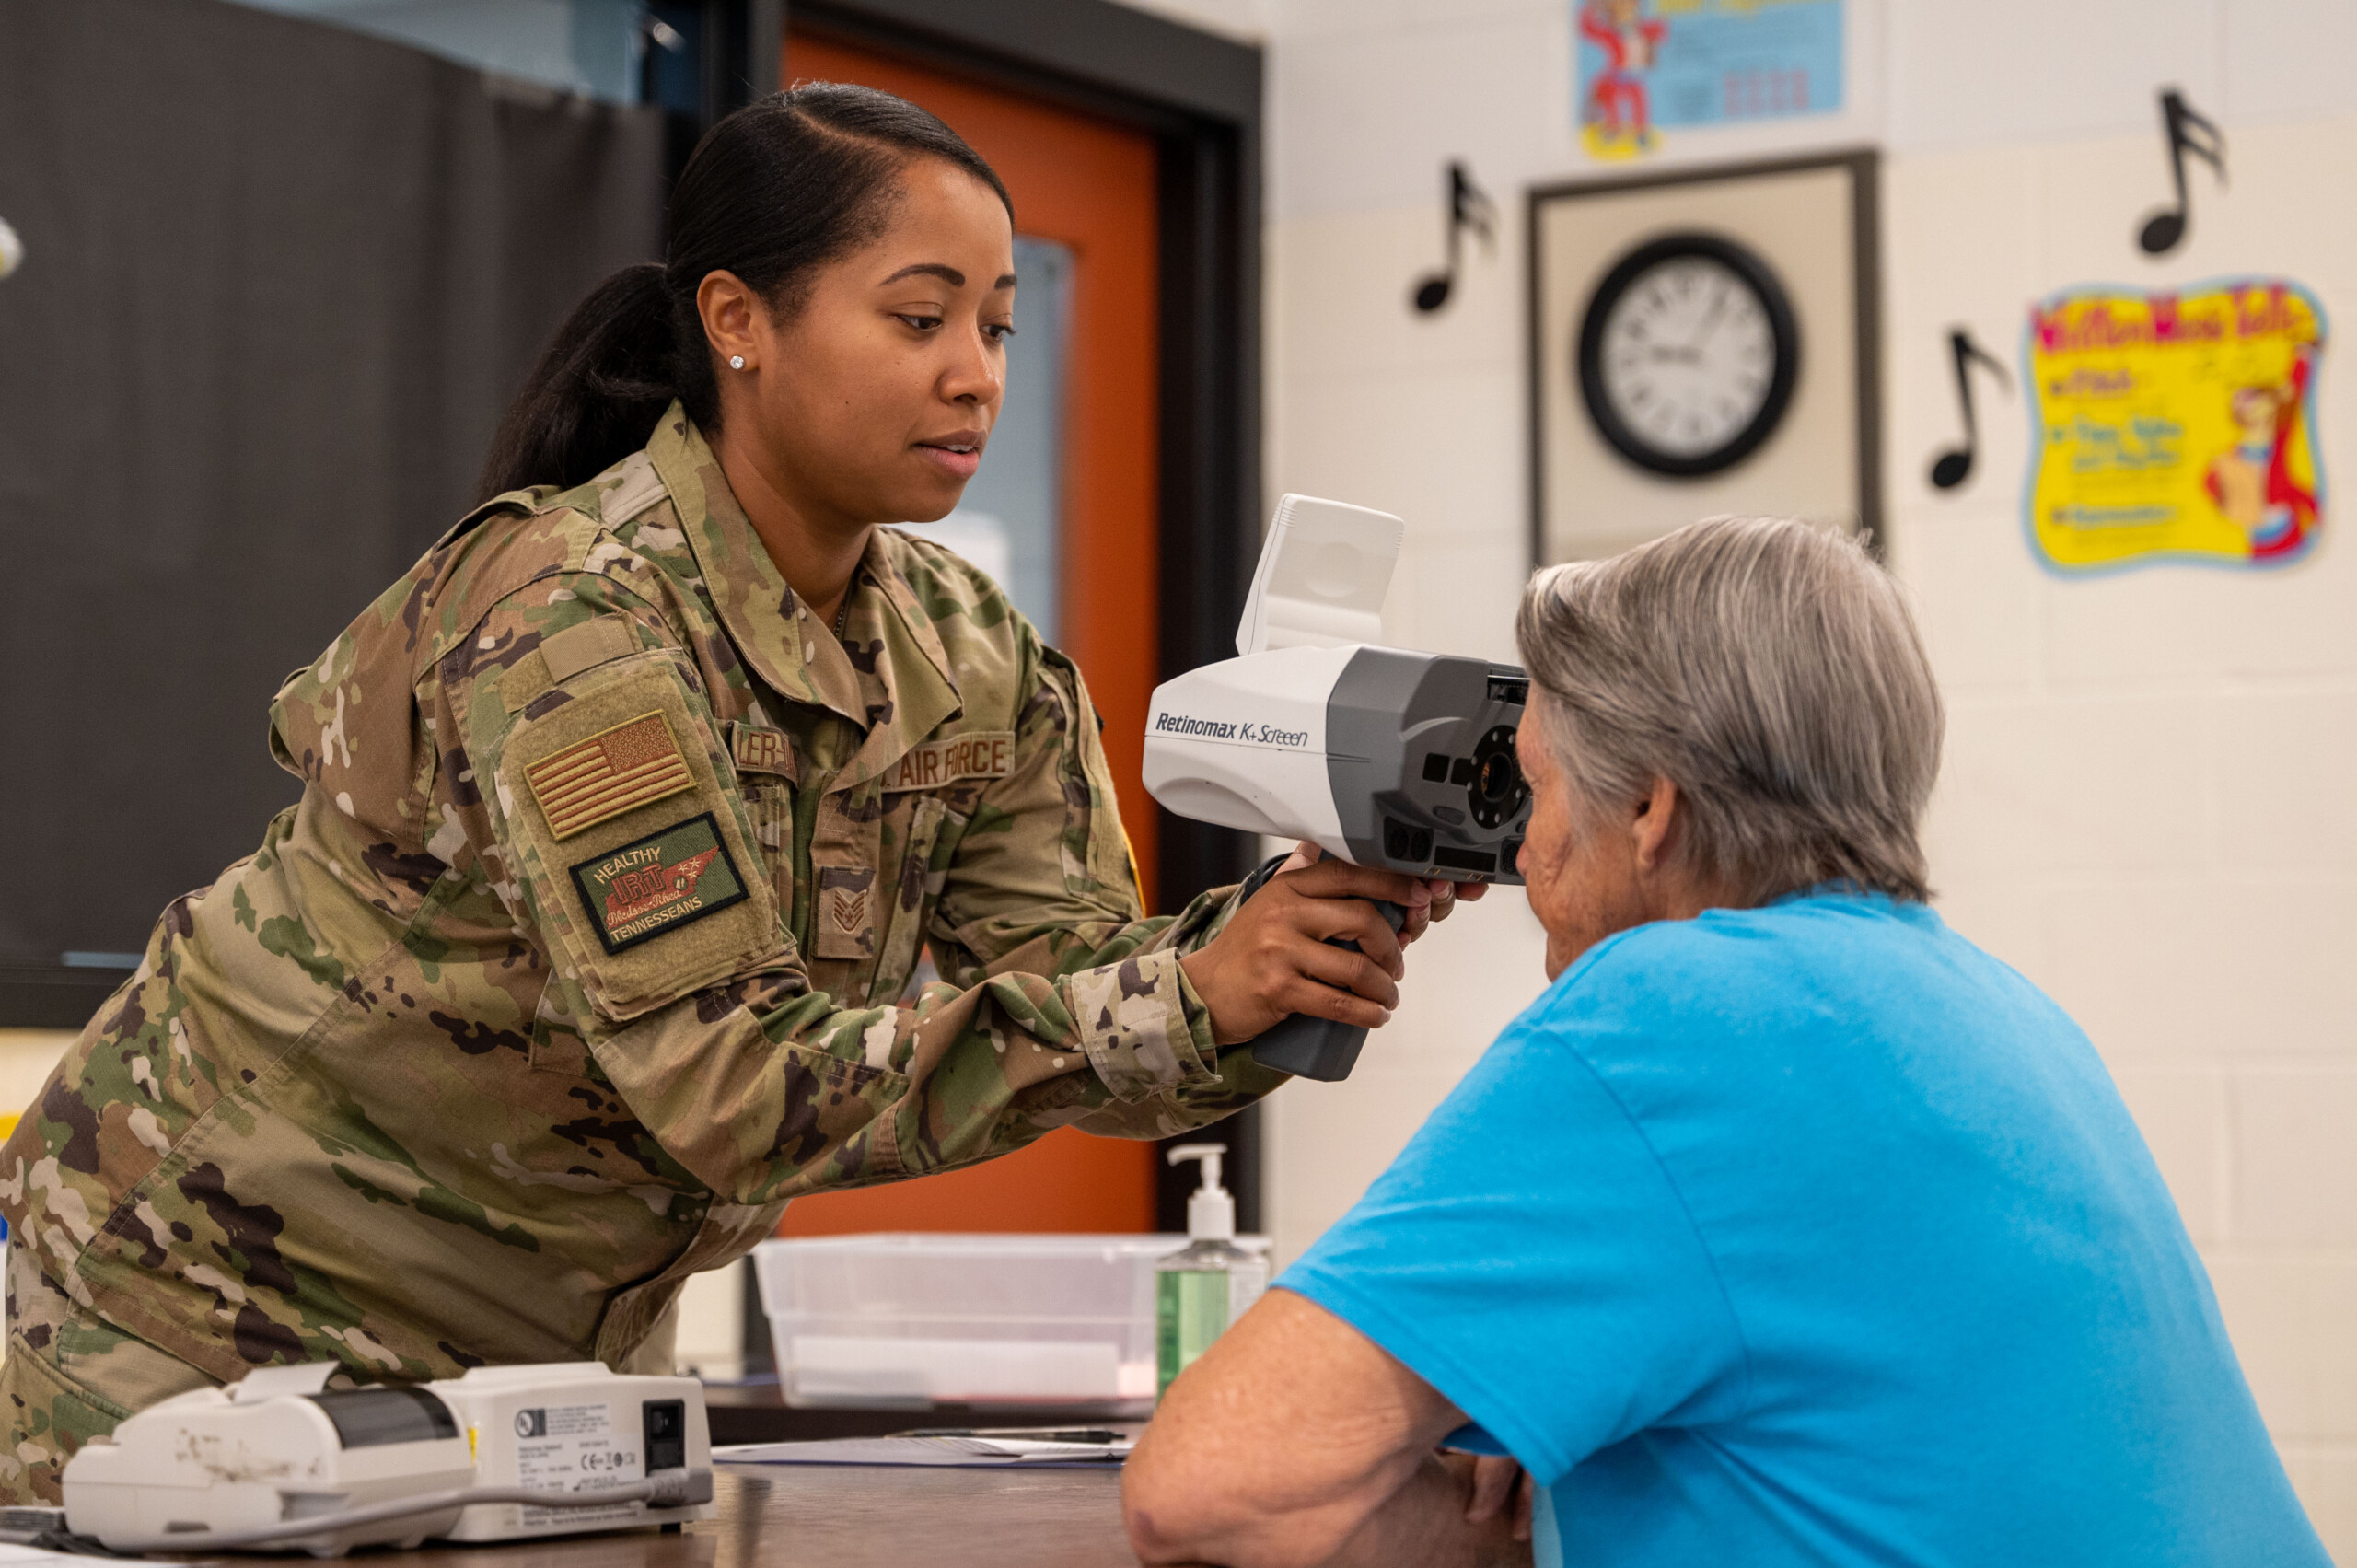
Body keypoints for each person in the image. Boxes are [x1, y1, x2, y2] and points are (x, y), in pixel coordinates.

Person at [0, 83, 1473, 1503]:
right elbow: (728, 1087)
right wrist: (1180, 997)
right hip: (187, 1318)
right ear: (736, 321)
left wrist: (1267, 956)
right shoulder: (573, 617)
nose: (977, 372)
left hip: (528, 1362)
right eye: (917, 318)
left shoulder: (970, 657)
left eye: (998, 324)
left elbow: (1079, 993)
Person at [1124, 517, 2329, 1568]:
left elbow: (1205, 1489)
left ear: (1650, 809)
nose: (1522, 860)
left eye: (1536, 792)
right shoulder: (2000, 1011)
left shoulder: (1670, 1012)